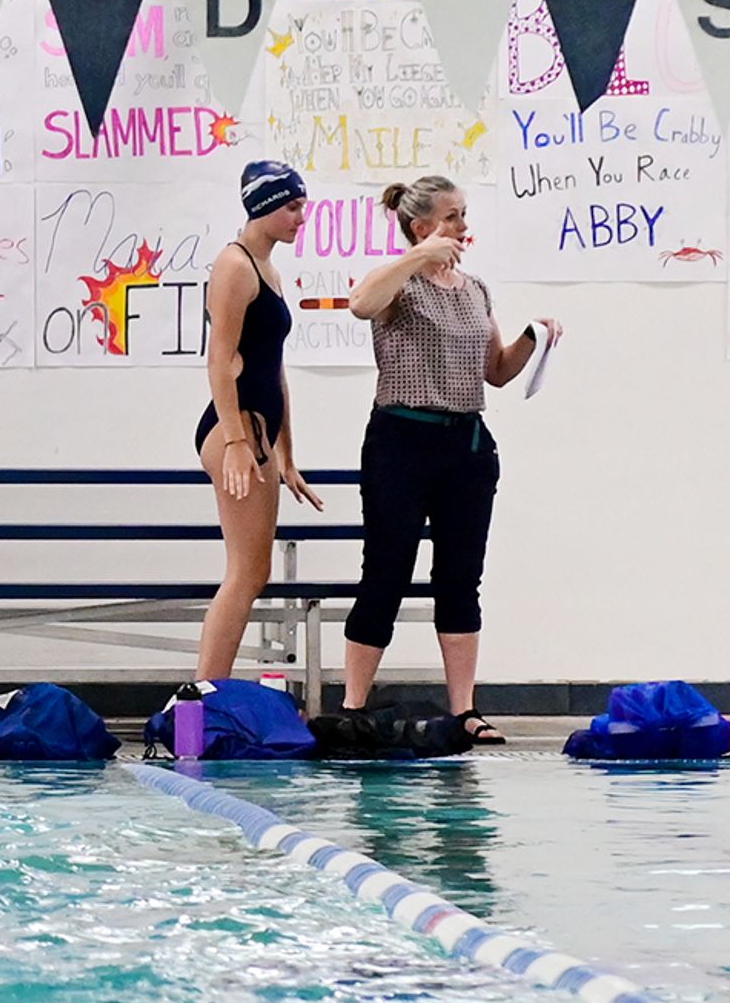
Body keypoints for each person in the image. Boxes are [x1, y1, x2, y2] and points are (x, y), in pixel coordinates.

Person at [336, 173, 547, 742]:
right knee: (386, 569)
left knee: (460, 577)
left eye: (463, 215)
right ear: (422, 225)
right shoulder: (398, 283)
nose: (463, 226)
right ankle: (354, 704)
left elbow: (496, 370)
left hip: (465, 444)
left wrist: (532, 339)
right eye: (453, 216)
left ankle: (465, 709)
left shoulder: (474, 289)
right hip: (401, 438)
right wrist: (416, 256)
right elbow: (360, 303)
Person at [194, 158, 323, 685]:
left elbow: (275, 368)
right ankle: (201, 696)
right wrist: (237, 440)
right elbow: (219, 359)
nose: (301, 218)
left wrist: (289, 455)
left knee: (255, 572)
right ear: (265, 206)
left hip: (257, 429)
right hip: (235, 429)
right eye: (293, 207)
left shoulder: (266, 267)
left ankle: (209, 690)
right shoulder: (234, 265)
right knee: (244, 572)